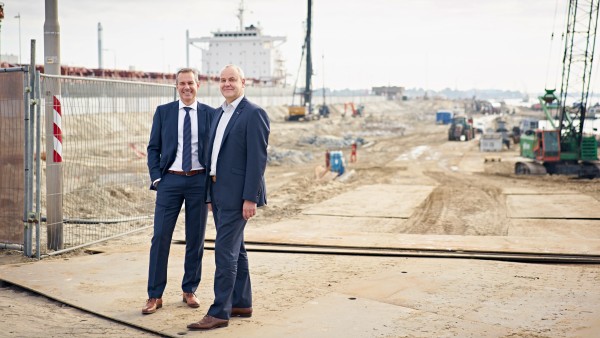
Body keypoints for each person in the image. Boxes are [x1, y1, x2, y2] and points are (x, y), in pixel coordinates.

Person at [187, 64, 270, 330]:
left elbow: (257, 160)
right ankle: (241, 303)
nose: (226, 84)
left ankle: (219, 312)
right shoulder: (219, 113)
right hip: (219, 192)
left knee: (225, 252)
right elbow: (214, 157)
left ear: (243, 82)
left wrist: (250, 198)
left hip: (238, 196)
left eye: (232, 79)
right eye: (222, 80)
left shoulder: (254, 114)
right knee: (237, 250)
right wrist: (210, 194)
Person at [143, 68, 214, 315]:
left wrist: (214, 185)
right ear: (176, 86)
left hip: (199, 182)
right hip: (170, 182)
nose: (186, 87)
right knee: (160, 237)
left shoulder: (210, 114)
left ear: (198, 85)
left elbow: (217, 152)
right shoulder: (163, 113)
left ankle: (189, 289)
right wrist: (157, 178)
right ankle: (154, 295)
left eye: (191, 83)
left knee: (196, 238)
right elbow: (153, 148)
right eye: (182, 83)